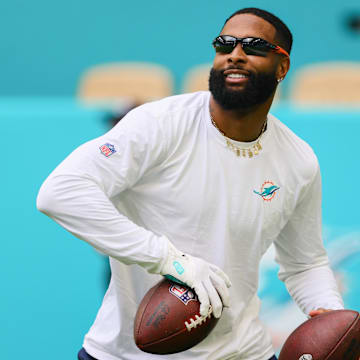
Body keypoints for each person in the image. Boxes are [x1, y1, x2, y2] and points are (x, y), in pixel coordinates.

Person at [37, 7, 344, 360]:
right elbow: (60, 192)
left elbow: (305, 263)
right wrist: (171, 261)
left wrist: (329, 313)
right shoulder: (159, 123)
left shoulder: (298, 159)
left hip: (243, 353)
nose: (235, 55)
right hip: (125, 354)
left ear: (282, 66)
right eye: (224, 45)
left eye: (254, 46)